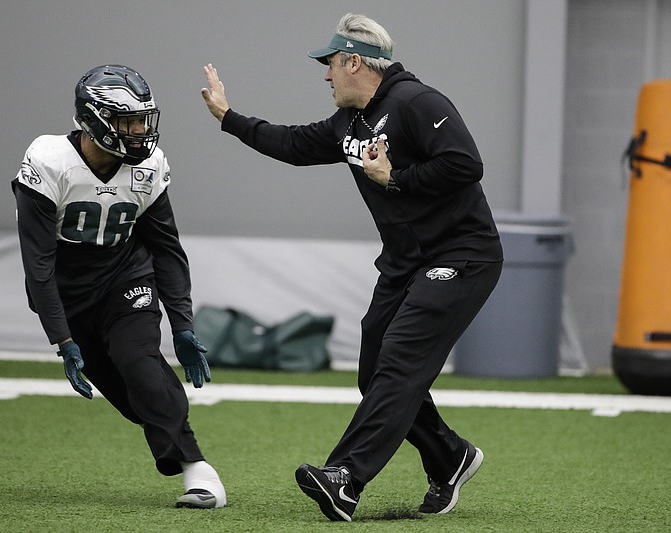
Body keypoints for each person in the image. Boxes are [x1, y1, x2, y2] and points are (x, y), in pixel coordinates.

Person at [201, 13, 502, 522]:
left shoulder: (417, 101)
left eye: (330, 65)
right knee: (374, 370)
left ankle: (345, 478)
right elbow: (293, 146)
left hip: (461, 256)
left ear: (354, 61)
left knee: (400, 361)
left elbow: (466, 164)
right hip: (406, 264)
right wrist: (229, 117)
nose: (325, 76)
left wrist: (396, 178)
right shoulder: (349, 122)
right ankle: (450, 458)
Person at [12, 64, 226, 510]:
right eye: (126, 122)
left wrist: (182, 325)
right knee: (135, 404)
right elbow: (38, 262)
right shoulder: (50, 161)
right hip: (68, 290)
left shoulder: (148, 165)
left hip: (125, 276)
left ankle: (199, 474)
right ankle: (169, 429)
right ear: (92, 120)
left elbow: (166, 248)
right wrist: (62, 337)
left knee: (140, 361)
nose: (138, 132)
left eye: (142, 120)